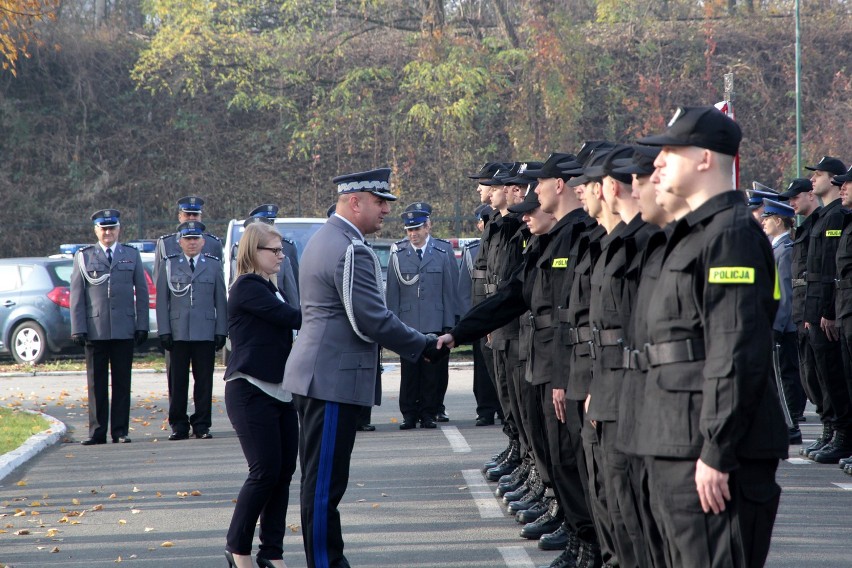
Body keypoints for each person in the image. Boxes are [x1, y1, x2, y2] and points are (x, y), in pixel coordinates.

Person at [635, 105, 788, 566]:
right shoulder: (693, 235)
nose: (657, 162)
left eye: (670, 151)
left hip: (709, 452)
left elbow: (736, 349)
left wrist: (717, 449)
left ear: (705, 158)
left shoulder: (732, 234)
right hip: (676, 440)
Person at [282, 167, 447, 568]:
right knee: (323, 486)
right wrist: (423, 344)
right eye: (379, 203)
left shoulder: (326, 238)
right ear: (354, 202)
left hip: (319, 374)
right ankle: (325, 563)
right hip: (332, 377)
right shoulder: (350, 247)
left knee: (321, 482)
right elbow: (370, 318)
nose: (386, 211)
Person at [223, 222, 303, 568]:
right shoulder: (247, 288)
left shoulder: (272, 288)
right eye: (275, 251)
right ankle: (237, 548)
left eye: (282, 250)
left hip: (280, 392)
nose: (281, 256)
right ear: (254, 252)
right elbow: (291, 318)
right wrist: (327, 313)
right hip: (249, 391)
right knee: (265, 471)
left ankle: (272, 552)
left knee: (283, 473)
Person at [70, 209, 149, 445]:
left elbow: (142, 293)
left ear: (119, 229)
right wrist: (78, 327)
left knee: (123, 382)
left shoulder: (131, 255)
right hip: (96, 329)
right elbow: (77, 295)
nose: (108, 232)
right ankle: (97, 431)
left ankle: (120, 431)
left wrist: (142, 325)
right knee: (96, 384)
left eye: (112, 228)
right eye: (103, 228)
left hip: (124, 328)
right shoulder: (84, 257)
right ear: (96, 230)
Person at [386, 202, 459, 429]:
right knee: (409, 371)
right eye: (409, 230)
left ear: (428, 226)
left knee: (431, 372)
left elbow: (450, 291)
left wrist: (449, 325)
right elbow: (393, 293)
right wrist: (392, 325)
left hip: (434, 322)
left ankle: (428, 413)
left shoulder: (442, 251)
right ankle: (409, 414)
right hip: (407, 323)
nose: (413, 234)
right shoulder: (398, 252)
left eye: (417, 229)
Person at [156, 221, 228, 440]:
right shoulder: (169, 265)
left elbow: (220, 301)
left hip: (205, 332)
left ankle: (202, 424)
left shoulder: (213, 265)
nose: (192, 243)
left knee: (204, 381)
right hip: (178, 332)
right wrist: (164, 331)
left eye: (196, 238)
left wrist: (221, 330)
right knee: (178, 382)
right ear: (180, 242)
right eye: (188, 239)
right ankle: (178, 425)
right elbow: (161, 302)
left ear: (203, 241)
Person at [802, 156, 850, 463]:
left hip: (833, 307)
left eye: (818, 175)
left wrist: (827, 310)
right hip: (824, 306)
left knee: (834, 375)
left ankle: (842, 434)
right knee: (822, 374)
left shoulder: (835, 218)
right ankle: (833, 430)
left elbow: (834, 270)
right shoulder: (825, 217)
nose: (812, 180)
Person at [759, 199, 806, 445]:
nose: (763, 222)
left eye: (767, 218)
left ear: (779, 220)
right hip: (780, 324)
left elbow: (785, 294)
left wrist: (775, 326)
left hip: (783, 326)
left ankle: (790, 426)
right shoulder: (777, 248)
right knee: (781, 375)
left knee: (784, 376)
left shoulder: (785, 250)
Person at [780, 178, 821, 429]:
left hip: (817, 313)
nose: (792, 202)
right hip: (805, 312)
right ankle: (832, 430)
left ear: (810, 195)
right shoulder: (808, 227)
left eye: (796, 197)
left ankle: (839, 433)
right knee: (812, 375)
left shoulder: (828, 222)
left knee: (822, 375)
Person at [155, 196, 223, 279]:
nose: (191, 218)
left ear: (200, 217)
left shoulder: (213, 244)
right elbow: (158, 278)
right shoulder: (166, 244)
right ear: (180, 217)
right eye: (187, 214)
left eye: (195, 214)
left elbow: (219, 277)